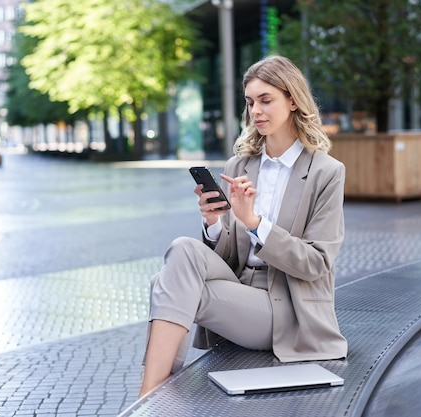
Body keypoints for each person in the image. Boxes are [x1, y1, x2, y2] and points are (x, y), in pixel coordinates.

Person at [139, 55, 347, 397]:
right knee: (182, 248)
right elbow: (229, 256)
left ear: (293, 100)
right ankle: (153, 396)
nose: (256, 111)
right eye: (251, 102)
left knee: (165, 285)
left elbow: (317, 264)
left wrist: (254, 222)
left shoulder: (326, 172)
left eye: (267, 100)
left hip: (286, 309)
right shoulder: (241, 163)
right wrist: (214, 223)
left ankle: (149, 398)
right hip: (238, 289)